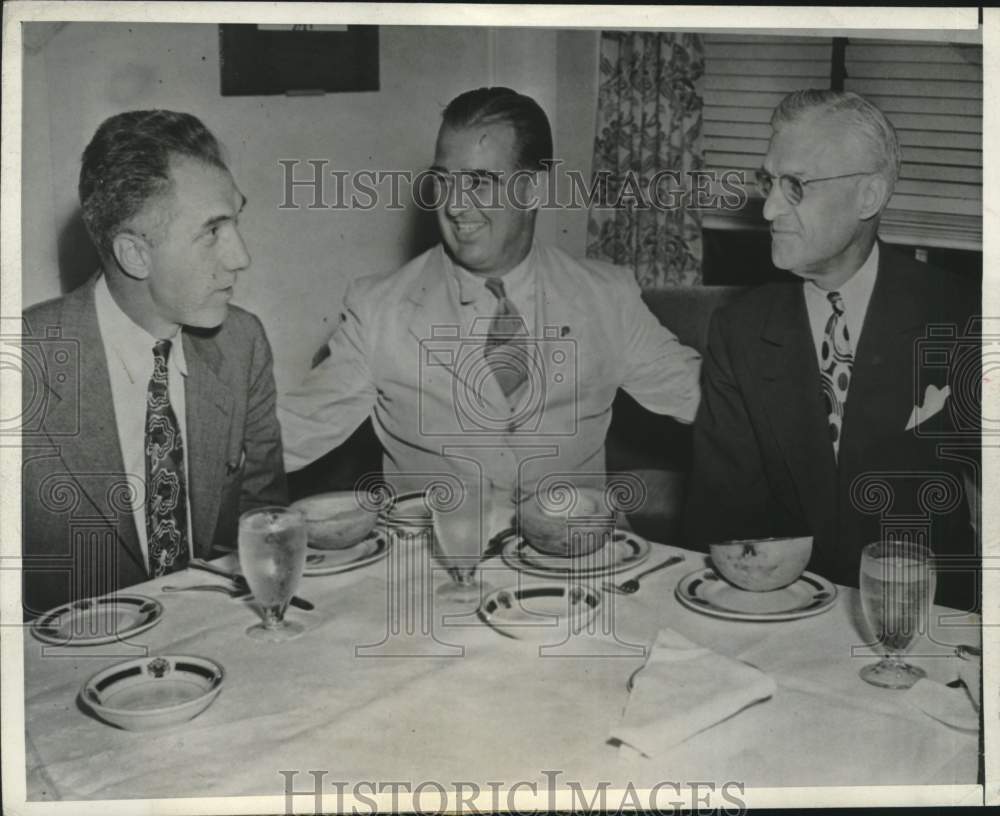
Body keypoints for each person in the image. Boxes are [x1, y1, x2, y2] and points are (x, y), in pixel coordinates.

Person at [279, 87, 700, 535]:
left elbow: (719, 409)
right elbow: (289, 436)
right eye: (443, 180)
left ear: (534, 188)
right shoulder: (378, 310)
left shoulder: (607, 297)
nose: (455, 205)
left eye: (479, 181)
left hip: (579, 570)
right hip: (429, 573)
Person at [685, 89, 980, 610]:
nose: (771, 208)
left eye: (796, 185)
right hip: (788, 614)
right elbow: (725, 516)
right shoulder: (739, 330)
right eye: (768, 182)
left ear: (869, 195)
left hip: (929, 621)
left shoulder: (963, 317)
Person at [21, 110, 287, 617]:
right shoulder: (23, 366)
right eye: (212, 232)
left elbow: (263, 523)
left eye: (235, 222)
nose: (241, 256)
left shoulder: (242, 343)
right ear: (135, 255)